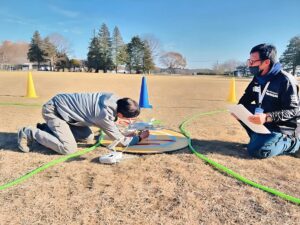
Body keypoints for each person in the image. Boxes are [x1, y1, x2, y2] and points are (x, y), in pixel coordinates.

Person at [17, 93, 150, 155]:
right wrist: (139, 137)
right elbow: (121, 141)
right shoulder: (103, 114)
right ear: (120, 115)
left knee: (88, 137)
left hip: (66, 111)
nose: (129, 121)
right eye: (127, 118)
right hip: (54, 111)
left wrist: (125, 132)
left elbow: (112, 126)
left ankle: (46, 129)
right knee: (69, 149)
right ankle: (29, 132)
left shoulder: (114, 99)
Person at [234, 43, 300, 158]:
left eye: (253, 61)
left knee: (257, 151)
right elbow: (245, 99)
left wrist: (267, 117)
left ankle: (294, 144)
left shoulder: (285, 80)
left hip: (282, 126)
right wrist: (237, 110)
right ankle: (261, 139)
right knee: (242, 109)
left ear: (266, 62)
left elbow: (294, 111)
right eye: (249, 61)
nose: (250, 64)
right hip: (264, 120)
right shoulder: (257, 78)